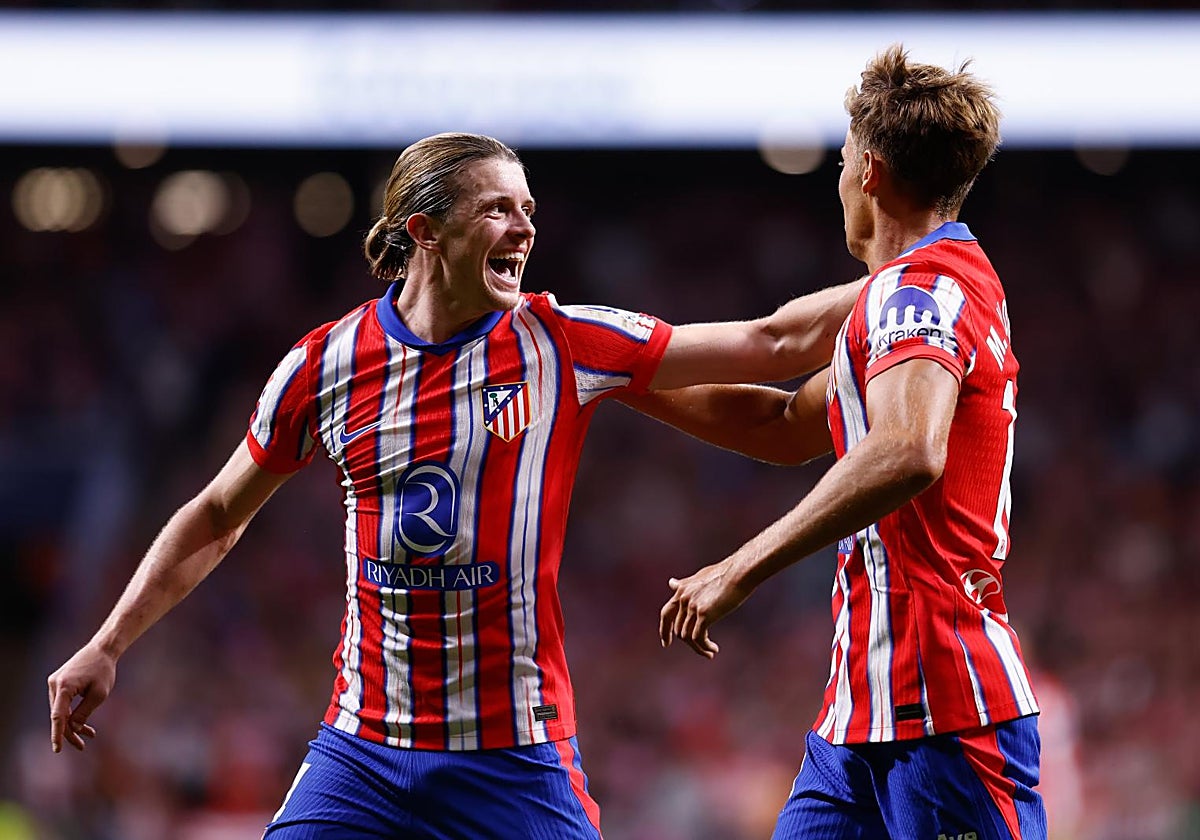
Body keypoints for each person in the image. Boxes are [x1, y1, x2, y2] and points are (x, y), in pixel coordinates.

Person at [46, 132, 861, 838]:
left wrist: (912, 277)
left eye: (528, 209)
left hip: (514, 758)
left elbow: (771, 343)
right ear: (424, 231)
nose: (525, 228)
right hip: (363, 753)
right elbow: (218, 514)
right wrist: (107, 643)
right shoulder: (325, 365)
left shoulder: (561, 341)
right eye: (499, 209)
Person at [655, 46, 1048, 839]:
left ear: (868, 170)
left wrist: (737, 569)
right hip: (859, 716)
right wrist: (614, 375)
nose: (838, 178)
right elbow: (778, 415)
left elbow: (908, 449)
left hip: (945, 711)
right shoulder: (921, 285)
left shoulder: (919, 295)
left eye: (840, 160)